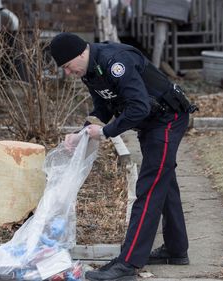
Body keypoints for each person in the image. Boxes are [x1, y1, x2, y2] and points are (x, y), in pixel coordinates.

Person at [49, 32, 197, 281]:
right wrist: (81, 133)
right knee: (164, 181)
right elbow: (103, 109)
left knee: (149, 188)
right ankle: (176, 250)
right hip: (151, 122)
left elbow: (139, 106)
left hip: (167, 119)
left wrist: (105, 133)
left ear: (79, 54)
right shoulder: (90, 71)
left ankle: (128, 263)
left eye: (66, 65)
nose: (67, 72)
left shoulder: (115, 62)